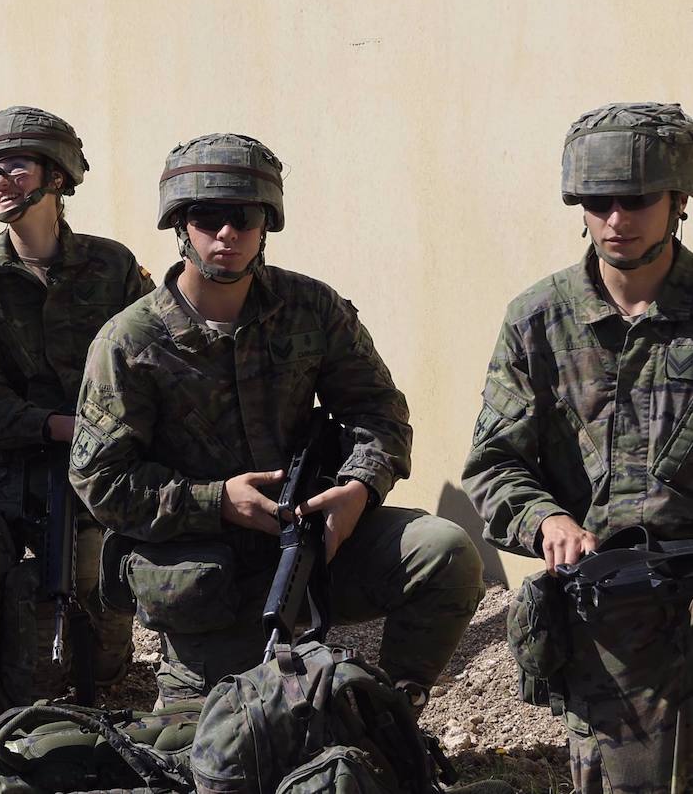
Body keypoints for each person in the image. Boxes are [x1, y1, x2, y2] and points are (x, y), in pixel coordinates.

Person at [69, 132, 484, 707]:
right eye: (207, 216)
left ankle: (392, 712)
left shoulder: (311, 309)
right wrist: (218, 501)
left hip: (315, 540)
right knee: (218, 750)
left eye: (244, 217)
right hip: (210, 576)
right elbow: (102, 482)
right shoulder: (130, 342)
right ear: (178, 225)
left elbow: (378, 410)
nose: (226, 234)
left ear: (267, 225)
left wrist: (358, 488)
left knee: (444, 552)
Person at [463, 102, 693, 793]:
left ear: (678, 201)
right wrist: (547, 520)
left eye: (635, 199)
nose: (615, 218)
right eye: (597, 201)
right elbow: (494, 464)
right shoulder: (539, 322)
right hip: (616, 610)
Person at [0, 106, 150, 696]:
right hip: (21, 465)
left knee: (107, 651)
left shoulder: (111, 265)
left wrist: (111, 435)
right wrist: (58, 427)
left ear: (57, 177)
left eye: (14, 166)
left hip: (107, 464)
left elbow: (153, 364)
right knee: (29, 631)